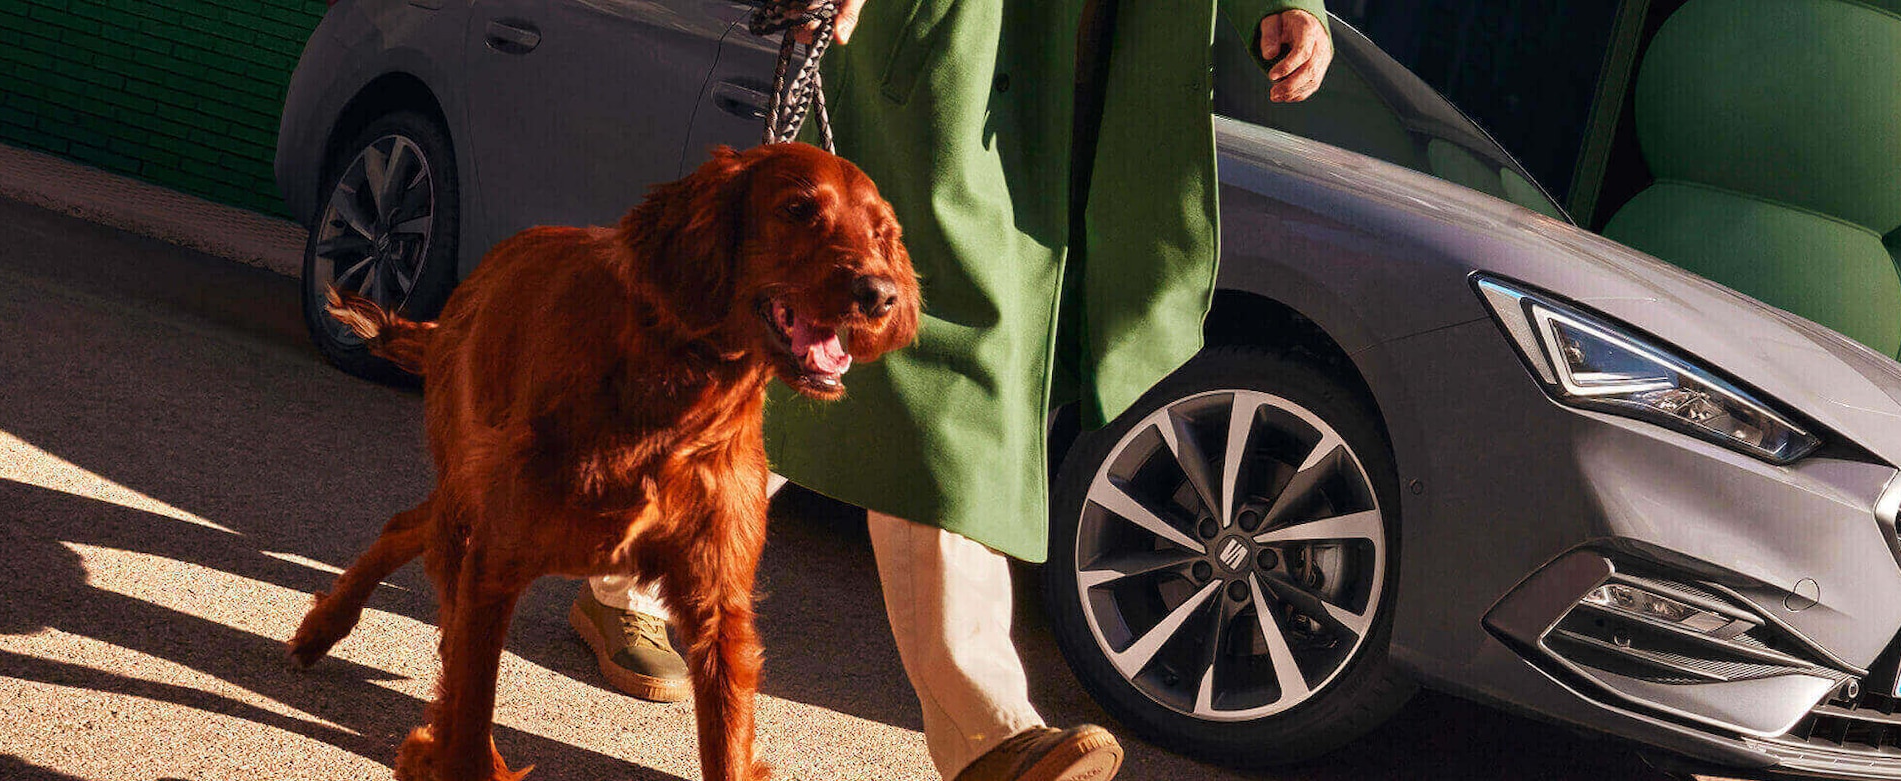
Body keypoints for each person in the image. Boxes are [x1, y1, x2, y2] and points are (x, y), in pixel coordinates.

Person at [561, 2, 1335, 780]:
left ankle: (633, 560)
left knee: (854, 355)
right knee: (907, 342)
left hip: (1095, 68)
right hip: (950, 48)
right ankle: (991, 736)